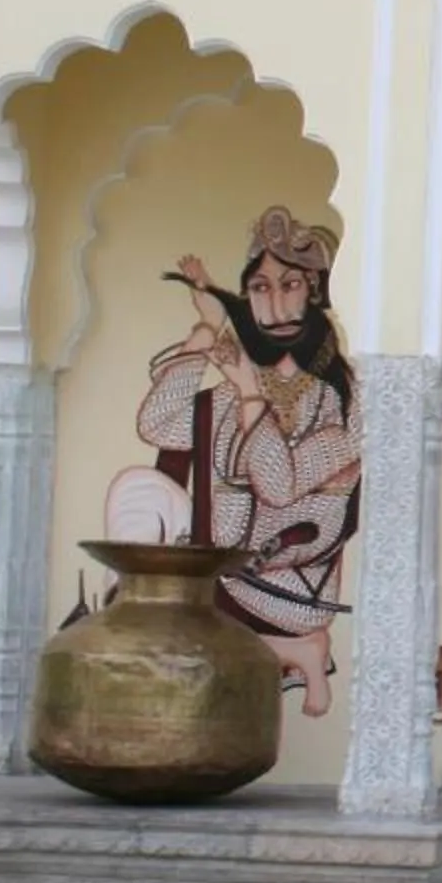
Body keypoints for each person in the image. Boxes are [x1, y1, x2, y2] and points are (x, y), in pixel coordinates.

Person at [108, 207, 360, 717]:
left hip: (281, 588)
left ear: (317, 295)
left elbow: (279, 484)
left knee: (150, 630)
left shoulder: (347, 404)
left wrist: (247, 389)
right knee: (137, 488)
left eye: (291, 285)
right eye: (261, 289)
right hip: (219, 573)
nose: (275, 304)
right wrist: (204, 333)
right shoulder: (234, 394)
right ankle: (290, 654)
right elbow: (158, 425)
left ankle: (296, 646)